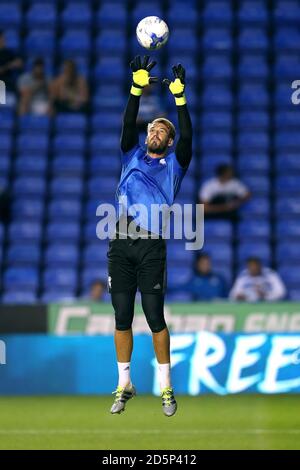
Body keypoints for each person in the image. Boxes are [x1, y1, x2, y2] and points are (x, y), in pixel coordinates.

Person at [108, 56, 192, 417]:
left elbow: (188, 135)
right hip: (120, 241)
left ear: (169, 141)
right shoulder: (131, 155)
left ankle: (166, 387)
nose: (154, 132)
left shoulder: (175, 165)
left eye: (162, 130)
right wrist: (136, 87)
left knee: (155, 316)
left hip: (152, 245)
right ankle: (124, 383)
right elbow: (128, 122)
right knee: (122, 316)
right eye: (152, 129)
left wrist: (180, 99)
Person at [0, 30, 23, 105]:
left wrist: (16, 63)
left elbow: (19, 63)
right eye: (2, 39)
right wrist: (9, 66)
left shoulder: (8, 52)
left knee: (19, 89)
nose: (4, 40)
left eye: (4, 38)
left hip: (8, 81)